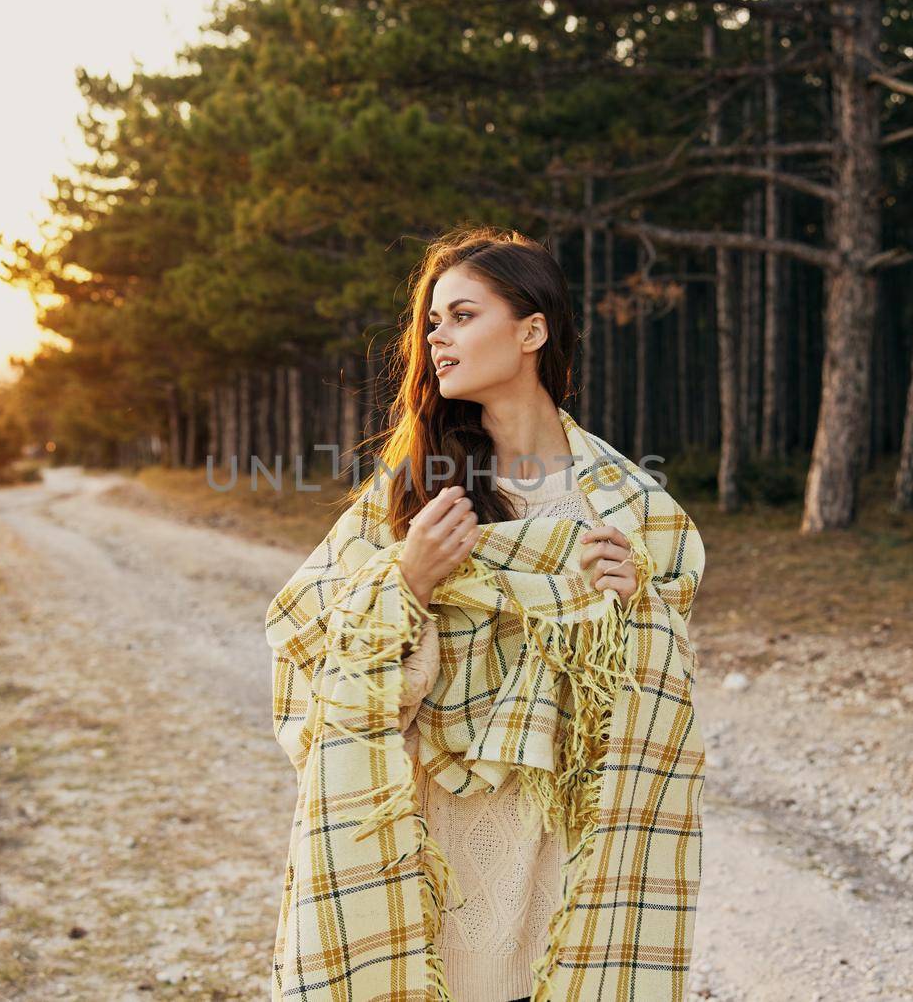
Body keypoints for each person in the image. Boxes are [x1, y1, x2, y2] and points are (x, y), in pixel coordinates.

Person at [266, 225, 707, 1001]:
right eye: (432, 321)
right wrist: (409, 583)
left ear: (532, 330)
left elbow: (664, 700)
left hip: (564, 857)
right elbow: (313, 651)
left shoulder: (629, 503)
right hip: (437, 852)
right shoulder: (415, 493)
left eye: (463, 315)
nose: (437, 338)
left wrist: (633, 609)